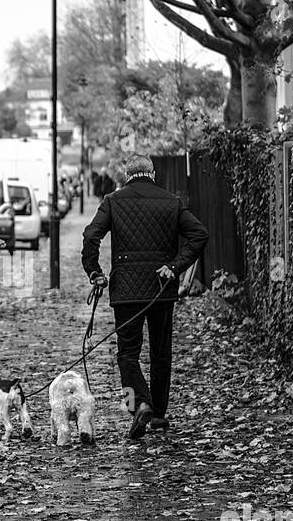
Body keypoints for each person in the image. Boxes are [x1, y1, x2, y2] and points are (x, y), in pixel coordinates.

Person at [81, 154, 209, 440]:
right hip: (161, 289)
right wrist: (175, 267)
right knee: (161, 353)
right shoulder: (171, 201)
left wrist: (95, 272)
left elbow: (91, 236)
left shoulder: (113, 201)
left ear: (127, 175)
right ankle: (159, 414)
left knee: (127, 353)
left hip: (126, 291)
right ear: (151, 174)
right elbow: (199, 234)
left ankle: (136, 405)